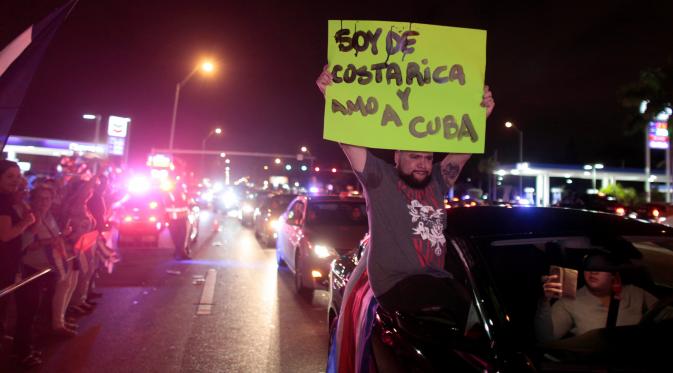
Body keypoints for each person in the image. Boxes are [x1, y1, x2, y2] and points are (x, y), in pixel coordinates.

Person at [316, 64, 494, 317]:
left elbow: (463, 152)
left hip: (435, 280)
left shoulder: (437, 181)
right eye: (415, 157)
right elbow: (349, 141)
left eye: (428, 157)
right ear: (397, 156)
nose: (423, 163)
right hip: (396, 284)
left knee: (484, 315)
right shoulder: (380, 179)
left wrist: (481, 115)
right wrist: (331, 96)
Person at [535, 253, 658, 342]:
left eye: (601, 268)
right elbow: (547, 338)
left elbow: (666, 314)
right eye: (589, 268)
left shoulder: (635, 294)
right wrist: (545, 301)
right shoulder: (570, 301)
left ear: (613, 274)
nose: (593, 272)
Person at [0, 161, 39, 367]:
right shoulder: (2, 203)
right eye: (9, 176)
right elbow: (5, 235)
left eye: (17, 176)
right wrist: (25, 223)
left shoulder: (8, 199)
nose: (15, 181)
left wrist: (20, 194)